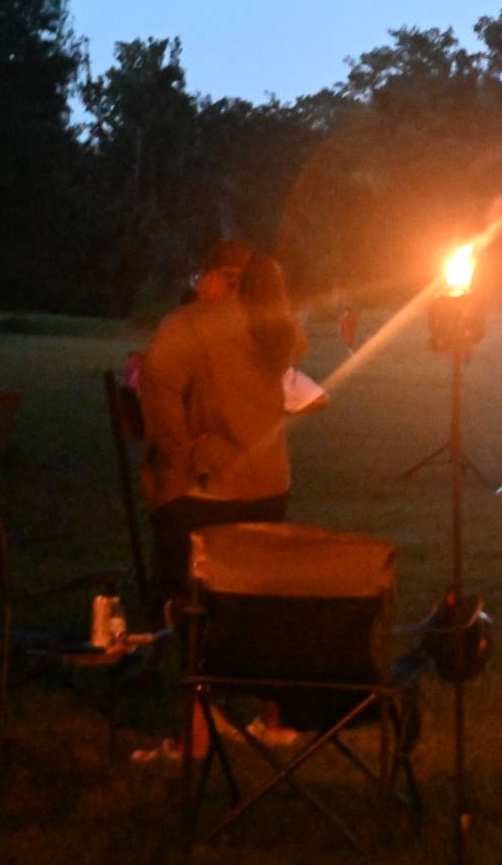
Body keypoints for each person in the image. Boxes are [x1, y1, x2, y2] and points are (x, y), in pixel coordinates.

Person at [139, 246, 305, 752]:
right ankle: (277, 718)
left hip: (206, 487)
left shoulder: (190, 324)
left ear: (219, 278)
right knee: (259, 601)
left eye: (201, 276)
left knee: (189, 602)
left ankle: (196, 732)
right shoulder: (278, 326)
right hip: (268, 483)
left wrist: (183, 452)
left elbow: (156, 386)